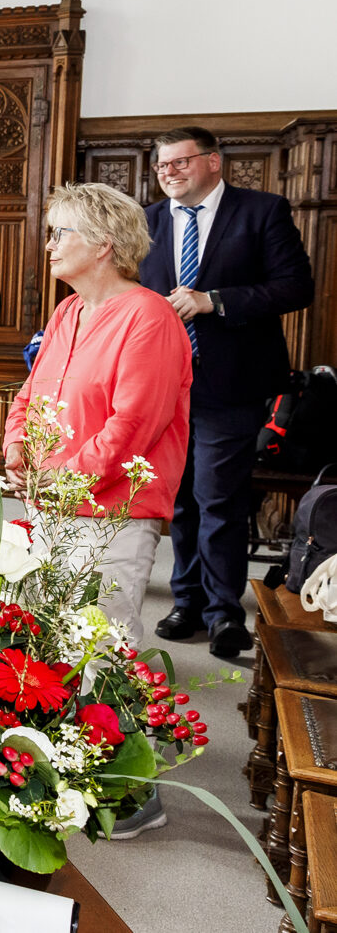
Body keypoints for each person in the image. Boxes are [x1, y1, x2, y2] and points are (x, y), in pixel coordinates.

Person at [4, 183, 192, 838]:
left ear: (104, 244)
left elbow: (133, 425)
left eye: (61, 233)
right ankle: (63, 773)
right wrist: (16, 444)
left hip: (115, 510)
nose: (49, 243)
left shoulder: (150, 318)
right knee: (49, 639)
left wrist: (57, 475)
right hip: (52, 505)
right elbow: (32, 392)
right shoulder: (67, 313)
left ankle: (131, 793)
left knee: (105, 645)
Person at [142, 127, 314, 661]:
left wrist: (214, 300)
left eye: (180, 162)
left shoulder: (261, 211)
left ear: (213, 161)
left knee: (218, 498)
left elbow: (295, 286)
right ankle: (185, 602)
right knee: (179, 500)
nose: (169, 172)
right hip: (165, 384)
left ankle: (223, 614)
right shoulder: (147, 222)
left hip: (232, 382)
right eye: (162, 165)